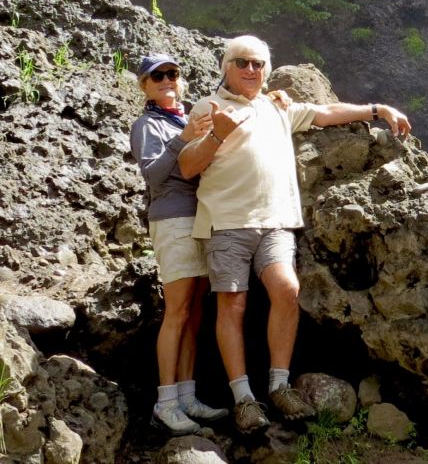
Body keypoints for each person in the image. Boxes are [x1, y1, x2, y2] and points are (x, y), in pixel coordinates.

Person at [178, 35, 411, 434]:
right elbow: (186, 165)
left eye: (258, 64)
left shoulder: (277, 107)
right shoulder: (208, 107)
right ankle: (243, 399)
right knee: (232, 304)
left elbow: (325, 112)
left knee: (287, 289)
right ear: (226, 67)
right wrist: (217, 134)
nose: (250, 69)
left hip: (276, 221)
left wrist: (378, 109)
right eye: (242, 62)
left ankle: (279, 385)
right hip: (226, 221)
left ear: (266, 71)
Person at [130, 53, 229, 435]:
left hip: (202, 218)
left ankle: (187, 396)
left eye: (172, 73)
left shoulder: (187, 118)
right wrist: (183, 139)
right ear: (145, 86)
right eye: (157, 77)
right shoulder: (147, 124)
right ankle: (165, 402)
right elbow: (153, 176)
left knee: (194, 311)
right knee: (177, 311)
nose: (167, 80)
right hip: (172, 220)